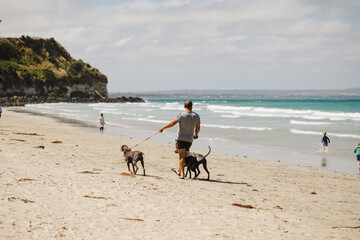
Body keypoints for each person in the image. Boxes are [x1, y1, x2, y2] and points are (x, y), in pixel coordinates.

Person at [159, 100, 200, 179]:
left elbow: (172, 124)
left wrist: (162, 128)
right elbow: (198, 127)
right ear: (192, 106)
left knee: (181, 157)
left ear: (184, 107)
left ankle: (182, 174)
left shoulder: (182, 115)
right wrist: (195, 134)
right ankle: (179, 170)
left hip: (181, 139)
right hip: (189, 140)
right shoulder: (196, 116)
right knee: (184, 155)